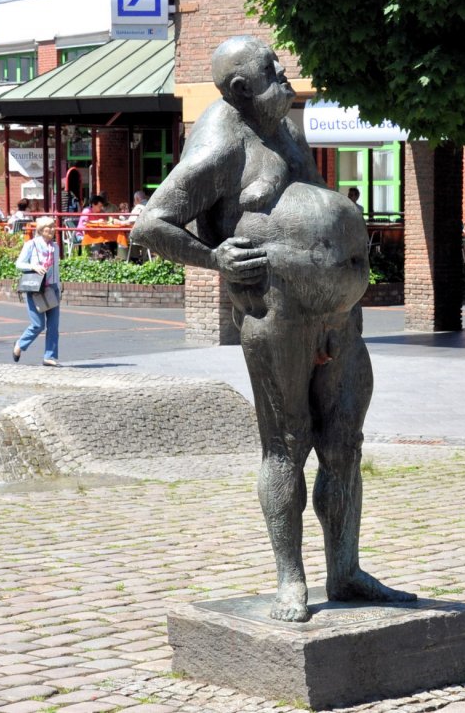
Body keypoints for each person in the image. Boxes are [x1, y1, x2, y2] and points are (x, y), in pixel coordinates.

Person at [132, 36, 416, 622]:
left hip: (339, 314)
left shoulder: (282, 125)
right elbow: (151, 225)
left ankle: (347, 569)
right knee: (287, 444)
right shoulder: (223, 141)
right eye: (271, 69)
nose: (285, 74)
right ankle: (292, 581)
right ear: (241, 87)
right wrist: (215, 260)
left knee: (343, 443)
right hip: (277, 314)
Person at [12, 216, 61, 367]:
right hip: (36, 288)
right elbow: (19, 264)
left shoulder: (55, 246)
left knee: (53, 326)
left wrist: (58, 285)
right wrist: (33, 266)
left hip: (52, 287)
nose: (53, 230)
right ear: (41, 230)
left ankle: (49, 356)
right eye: (49, 227)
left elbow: (56, 268)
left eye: (53, 227)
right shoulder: (31, 244)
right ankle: (20, 344)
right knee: (38, 324)